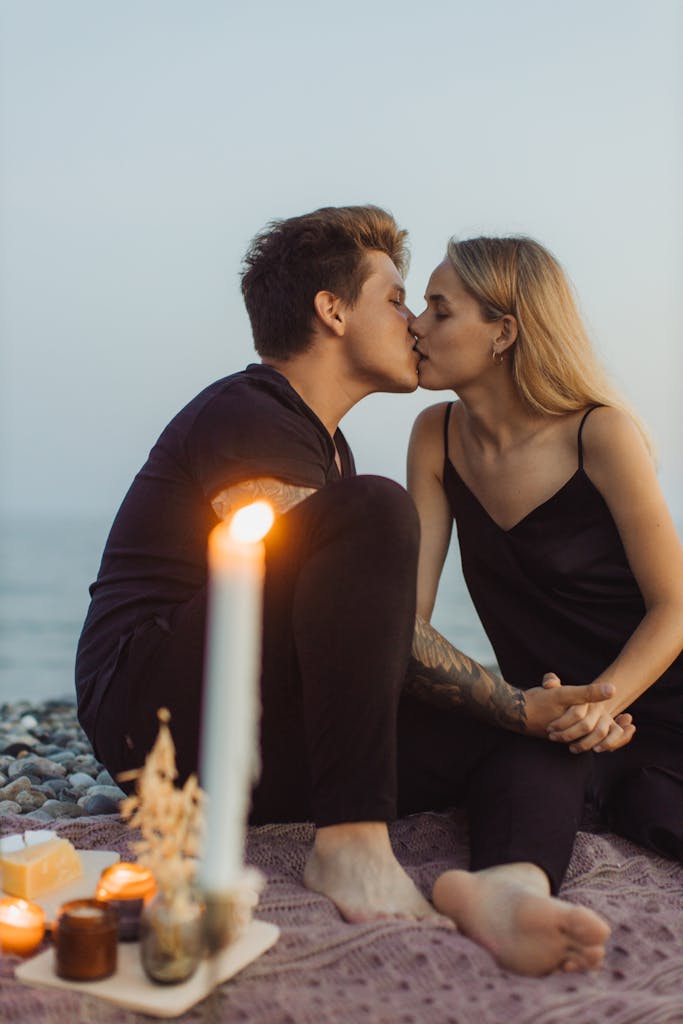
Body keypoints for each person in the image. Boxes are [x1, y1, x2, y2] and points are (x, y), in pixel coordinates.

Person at [76, 207, 612, 975]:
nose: (414, 323)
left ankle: (504, 883)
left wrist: (522, 712)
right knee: (377, 508)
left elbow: (358, 640)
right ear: (331, 310)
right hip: (150, 716)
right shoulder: (247, 408)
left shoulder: (333, 453)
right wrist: (509, 695)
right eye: (396, 299)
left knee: (533, 743)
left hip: (259, 733)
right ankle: (351, 844)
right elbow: (305, 594)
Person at [408, 235, 683, 963]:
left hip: (655, 694)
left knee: (657, 810)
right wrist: (507, 702)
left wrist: (605, 700)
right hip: (554, 714)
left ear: (503, 332)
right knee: (523, 752)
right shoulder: (434, 437)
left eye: (439, 309)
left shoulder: (601, 433)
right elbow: (409, 618)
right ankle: (508, 893)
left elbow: (673, 607)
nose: (414, 323)